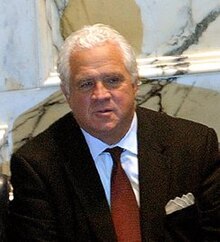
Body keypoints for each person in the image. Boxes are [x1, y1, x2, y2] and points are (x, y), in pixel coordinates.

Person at [7, 23, 220, 241]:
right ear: (67, 92)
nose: (100, 95)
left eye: (113, 80)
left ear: (135, 83)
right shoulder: (37, 166)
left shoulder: (193, 145)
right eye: (86, 84)